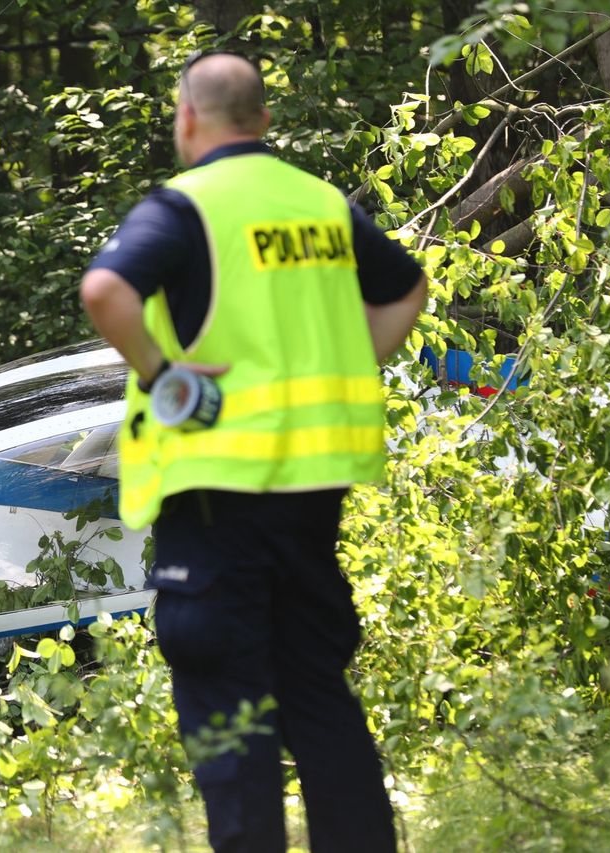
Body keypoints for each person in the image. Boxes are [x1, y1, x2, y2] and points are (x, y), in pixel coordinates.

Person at [80, 53, 427, 852]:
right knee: (317, 696)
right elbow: (407, 287)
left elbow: (105, 290)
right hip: (312, 489)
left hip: (215, 494)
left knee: (229, 711)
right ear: (264, 120)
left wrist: (166, 376)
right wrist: (346, 362)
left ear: (188, 118)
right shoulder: (321, 204)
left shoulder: (187, 207)